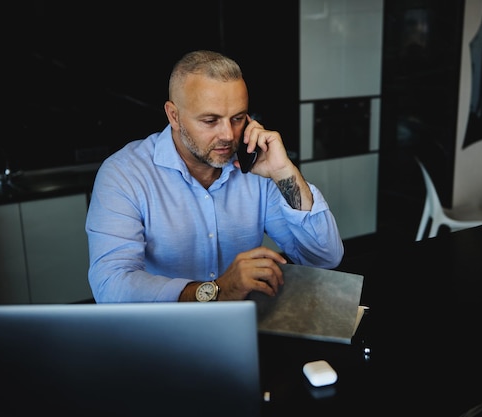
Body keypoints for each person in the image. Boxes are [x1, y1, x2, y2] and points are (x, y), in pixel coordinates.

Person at [85, 50, 344, 303]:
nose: (228, 135)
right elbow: (111, 285)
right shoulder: (124, 174)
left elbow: (324, 258)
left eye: (238, 118)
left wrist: (284, 172)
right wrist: (217, 290)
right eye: (210, 120)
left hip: (241, 329)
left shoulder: (256, 169)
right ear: (174, 116)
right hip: (161, 334)